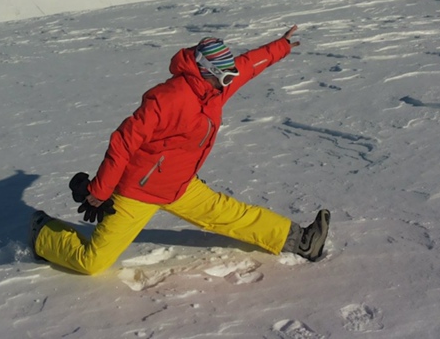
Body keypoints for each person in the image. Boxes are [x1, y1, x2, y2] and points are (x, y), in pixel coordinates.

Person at [30, 26, 330, 275]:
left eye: (229, 77)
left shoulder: (214, 88)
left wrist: (282, 45)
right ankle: (44, 233)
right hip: (137, 192)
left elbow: (248, 65)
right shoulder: (168, 99)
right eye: (224, 77)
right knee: (92, 262)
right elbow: (124, 141)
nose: (229, 82)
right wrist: (100, 190)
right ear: (205, 71)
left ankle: (302, 240)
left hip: (180, 185)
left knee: (234, 215)